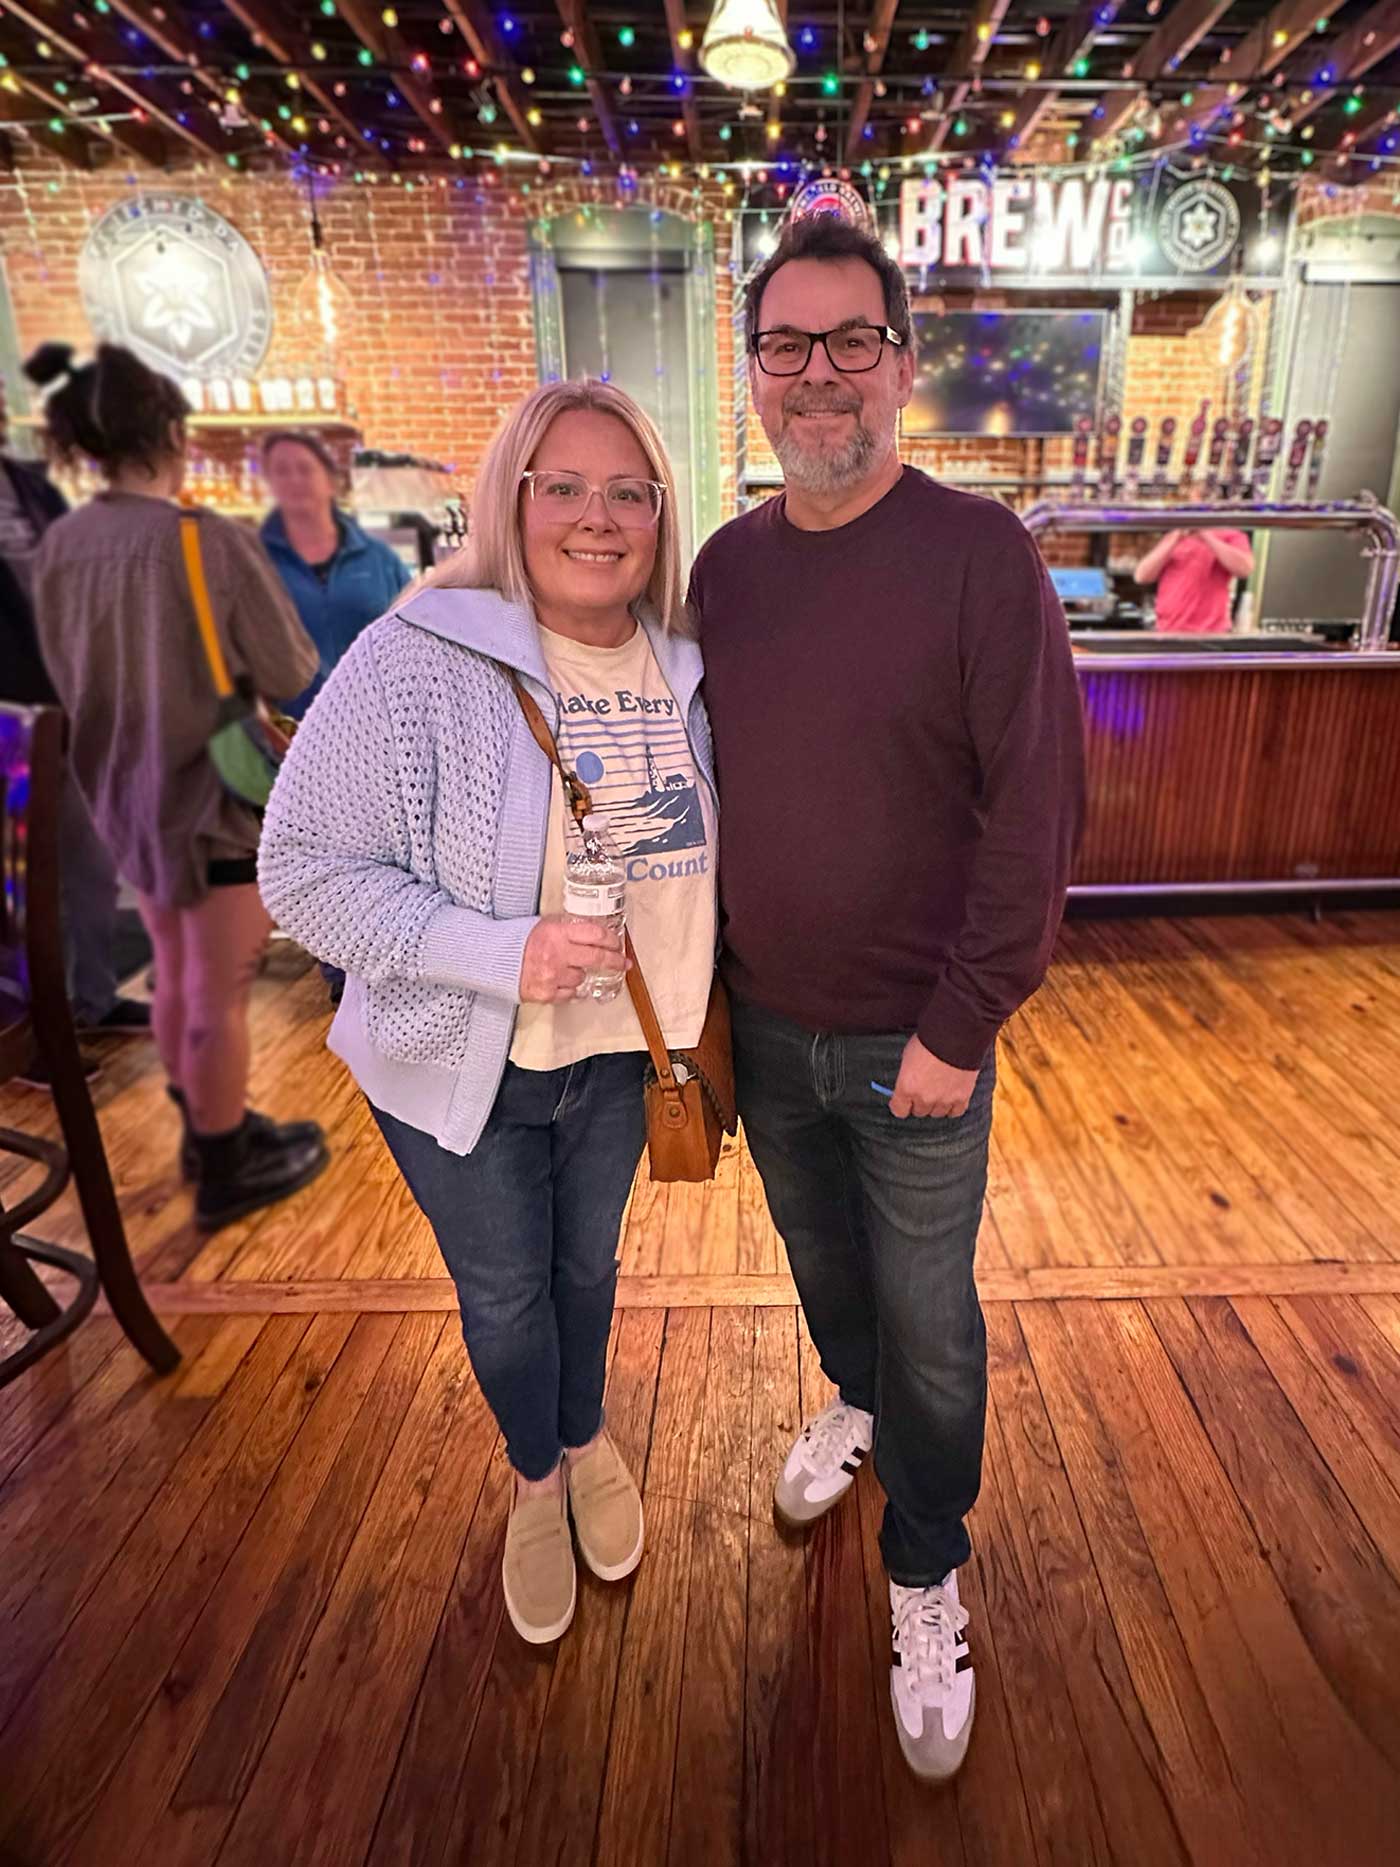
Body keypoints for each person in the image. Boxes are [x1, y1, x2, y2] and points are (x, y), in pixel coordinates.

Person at [688, 214, 1085, 1783]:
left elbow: (1038, 815)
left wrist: (958, 1027)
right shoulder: (723, 567)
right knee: (825, 1267)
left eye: (854, 340)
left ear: (903, 367)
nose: (820, 373)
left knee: (932, 1324)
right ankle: (846, 1404)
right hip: (769, 1024)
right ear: (758, 374)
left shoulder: (983, 556)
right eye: (789, 344)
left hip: (921, 1042)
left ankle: (926, 1567)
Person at [258, 379, 716, 1647]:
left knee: (587, 1267)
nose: (596, 516)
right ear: (509, 498)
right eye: (560, 485)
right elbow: (297, 870)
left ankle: (584, 1432)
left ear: (661, 515)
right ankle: (535, 1477)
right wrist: (494, 951)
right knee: (508, 1293)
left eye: (629, 491)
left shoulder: (683, 660)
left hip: (624, 1055)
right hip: (466, 1063)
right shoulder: (423, 652)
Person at [25, 341, 329, 1230]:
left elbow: (60, 669)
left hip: (117, 795)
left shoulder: (61, 547)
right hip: (214, 801)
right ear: (169, 430)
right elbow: (290, 664)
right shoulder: (204, 541)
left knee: (176, 976)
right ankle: (228, 1155)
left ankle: (206, 1123)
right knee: (220, 986)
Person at [0, 371, 149, 1053]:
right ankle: (34, 1028)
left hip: (62, 703)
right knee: (19, 887)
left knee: (89, 861)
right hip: (7, 722)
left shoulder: (29, 487)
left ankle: (89, 1000)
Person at [259, 430, 411, 720]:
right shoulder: (256, 564)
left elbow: (415, 635)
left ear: (330, 482)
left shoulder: (379, 559)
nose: (294, 480)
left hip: (375, 728)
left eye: (304, 469)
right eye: (281, 471)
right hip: (290, 738)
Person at [1133, 526, 1254, 634]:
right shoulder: (1173, 536)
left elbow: (1245, 569)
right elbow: (1141, 576)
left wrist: (1207, 536)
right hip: (1167, 630)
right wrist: (1175, 538)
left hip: (1210, 632)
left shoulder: (1232, 535)